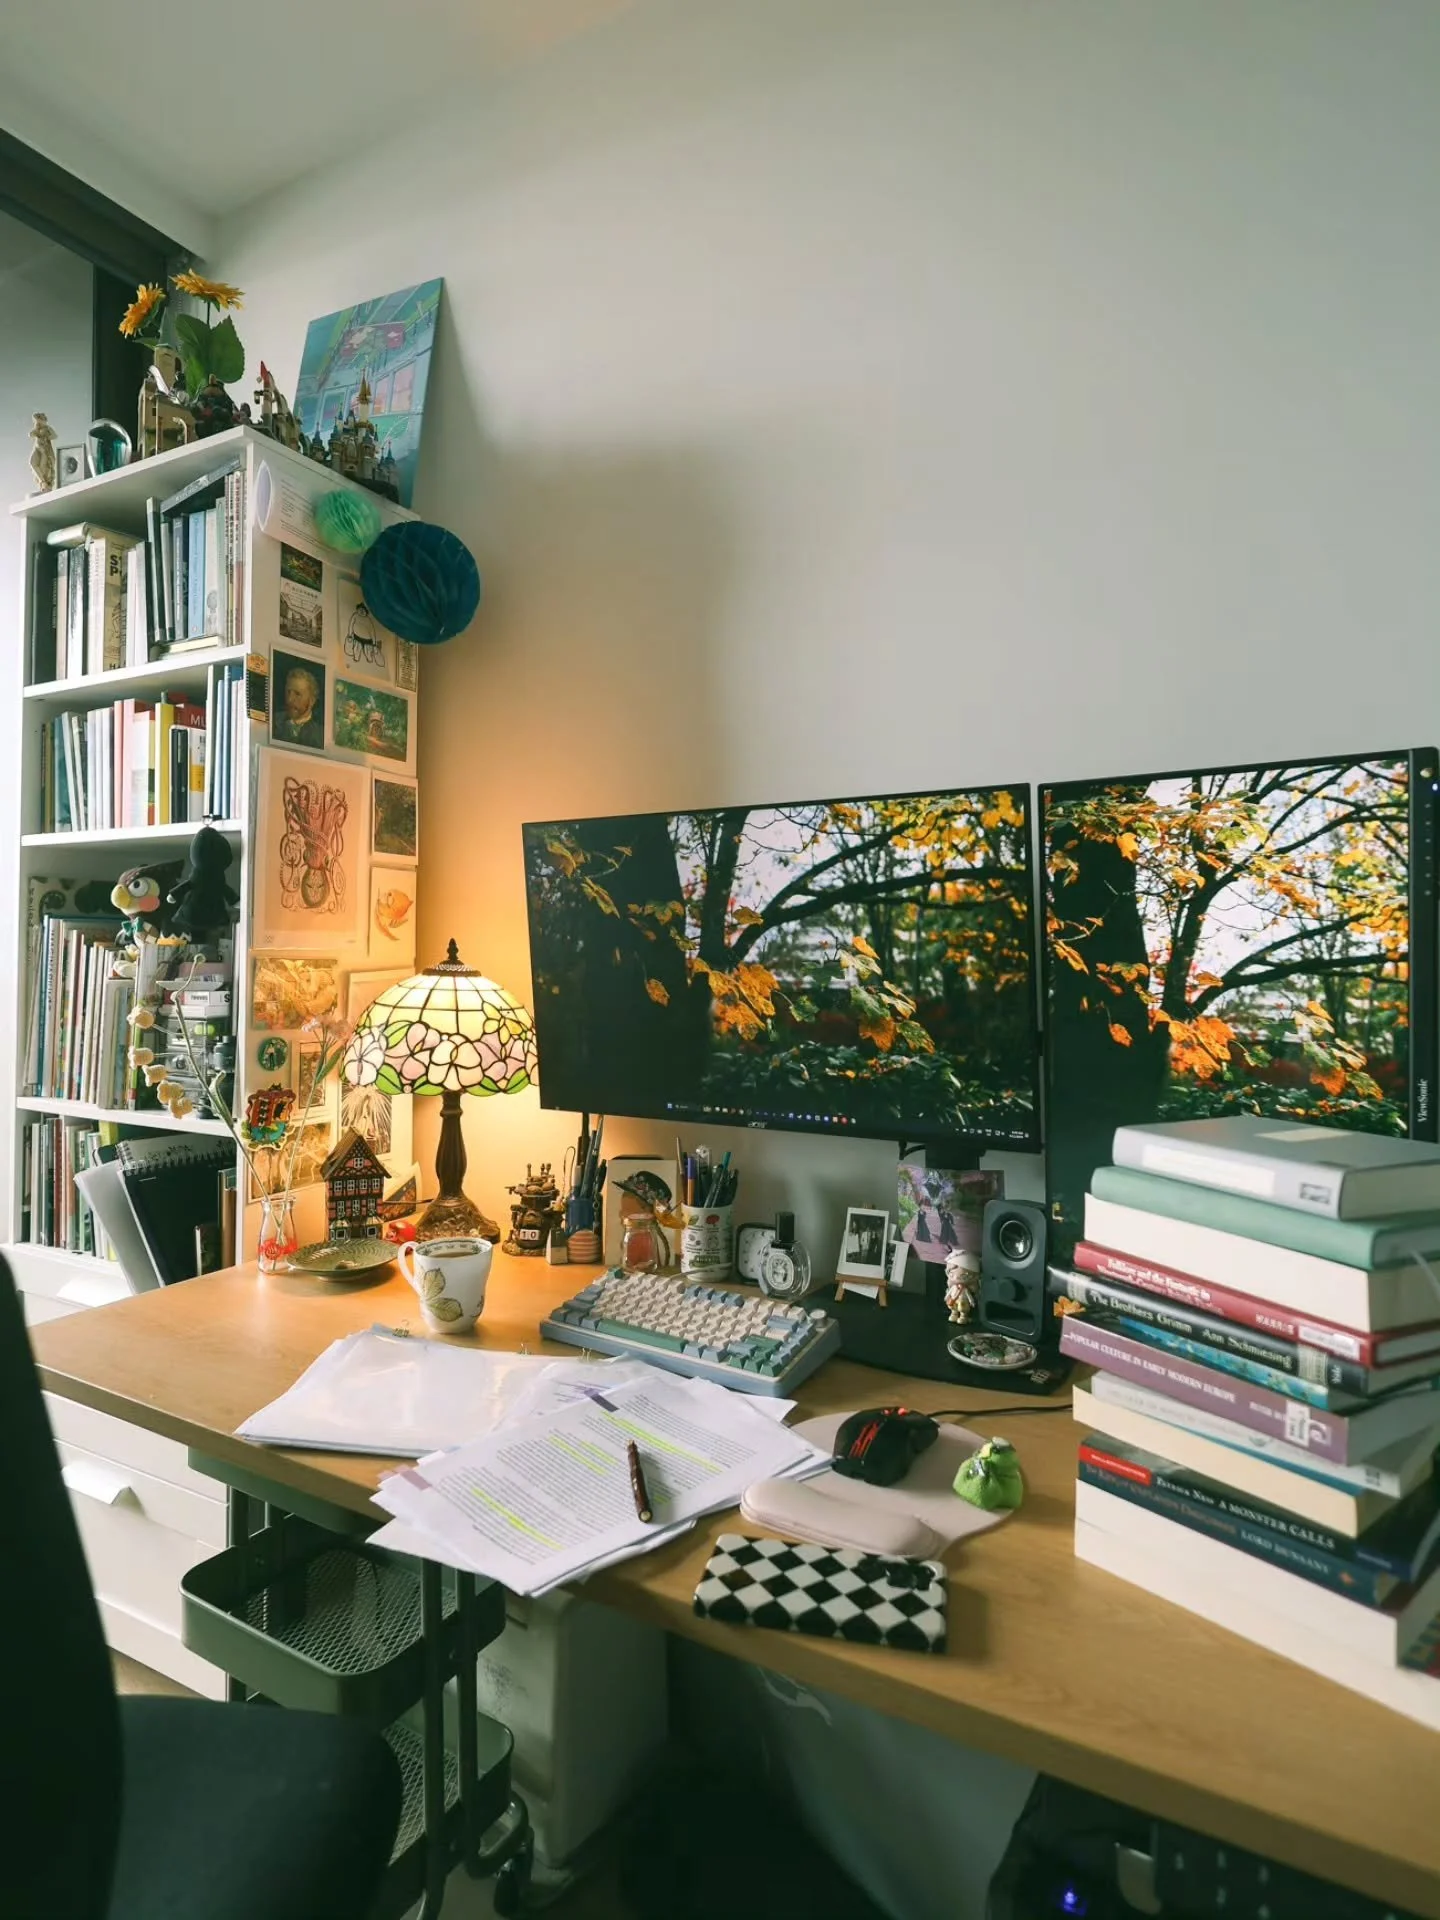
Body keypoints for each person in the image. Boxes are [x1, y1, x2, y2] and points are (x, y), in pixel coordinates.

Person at [274, 665, 323, 748]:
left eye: (297, 694)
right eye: (288, 692)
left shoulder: (320, 735)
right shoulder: (273, 721)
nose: (289, 700)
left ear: (312, 700)